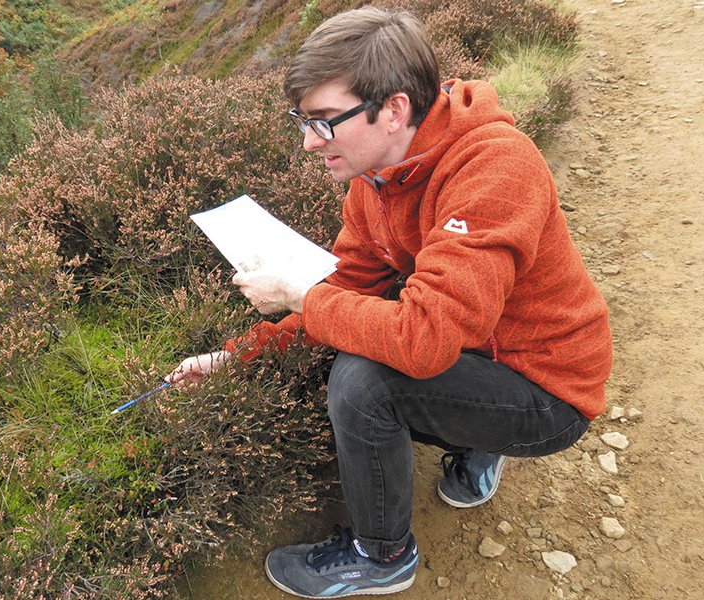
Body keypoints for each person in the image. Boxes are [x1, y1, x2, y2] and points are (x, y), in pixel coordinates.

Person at [166, 7, 613, 598]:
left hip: (549, 389)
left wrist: (303, 294)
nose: (307, 141)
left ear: (395, 109)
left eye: (324, 120)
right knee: (371, 322)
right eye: (301, 120)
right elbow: (347, 286)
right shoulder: (375, 177)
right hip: (480, 349)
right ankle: (478, 438)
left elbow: (422, 343)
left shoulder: (496, 169)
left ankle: (382, 556)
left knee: (364, 378)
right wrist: (239, 356)